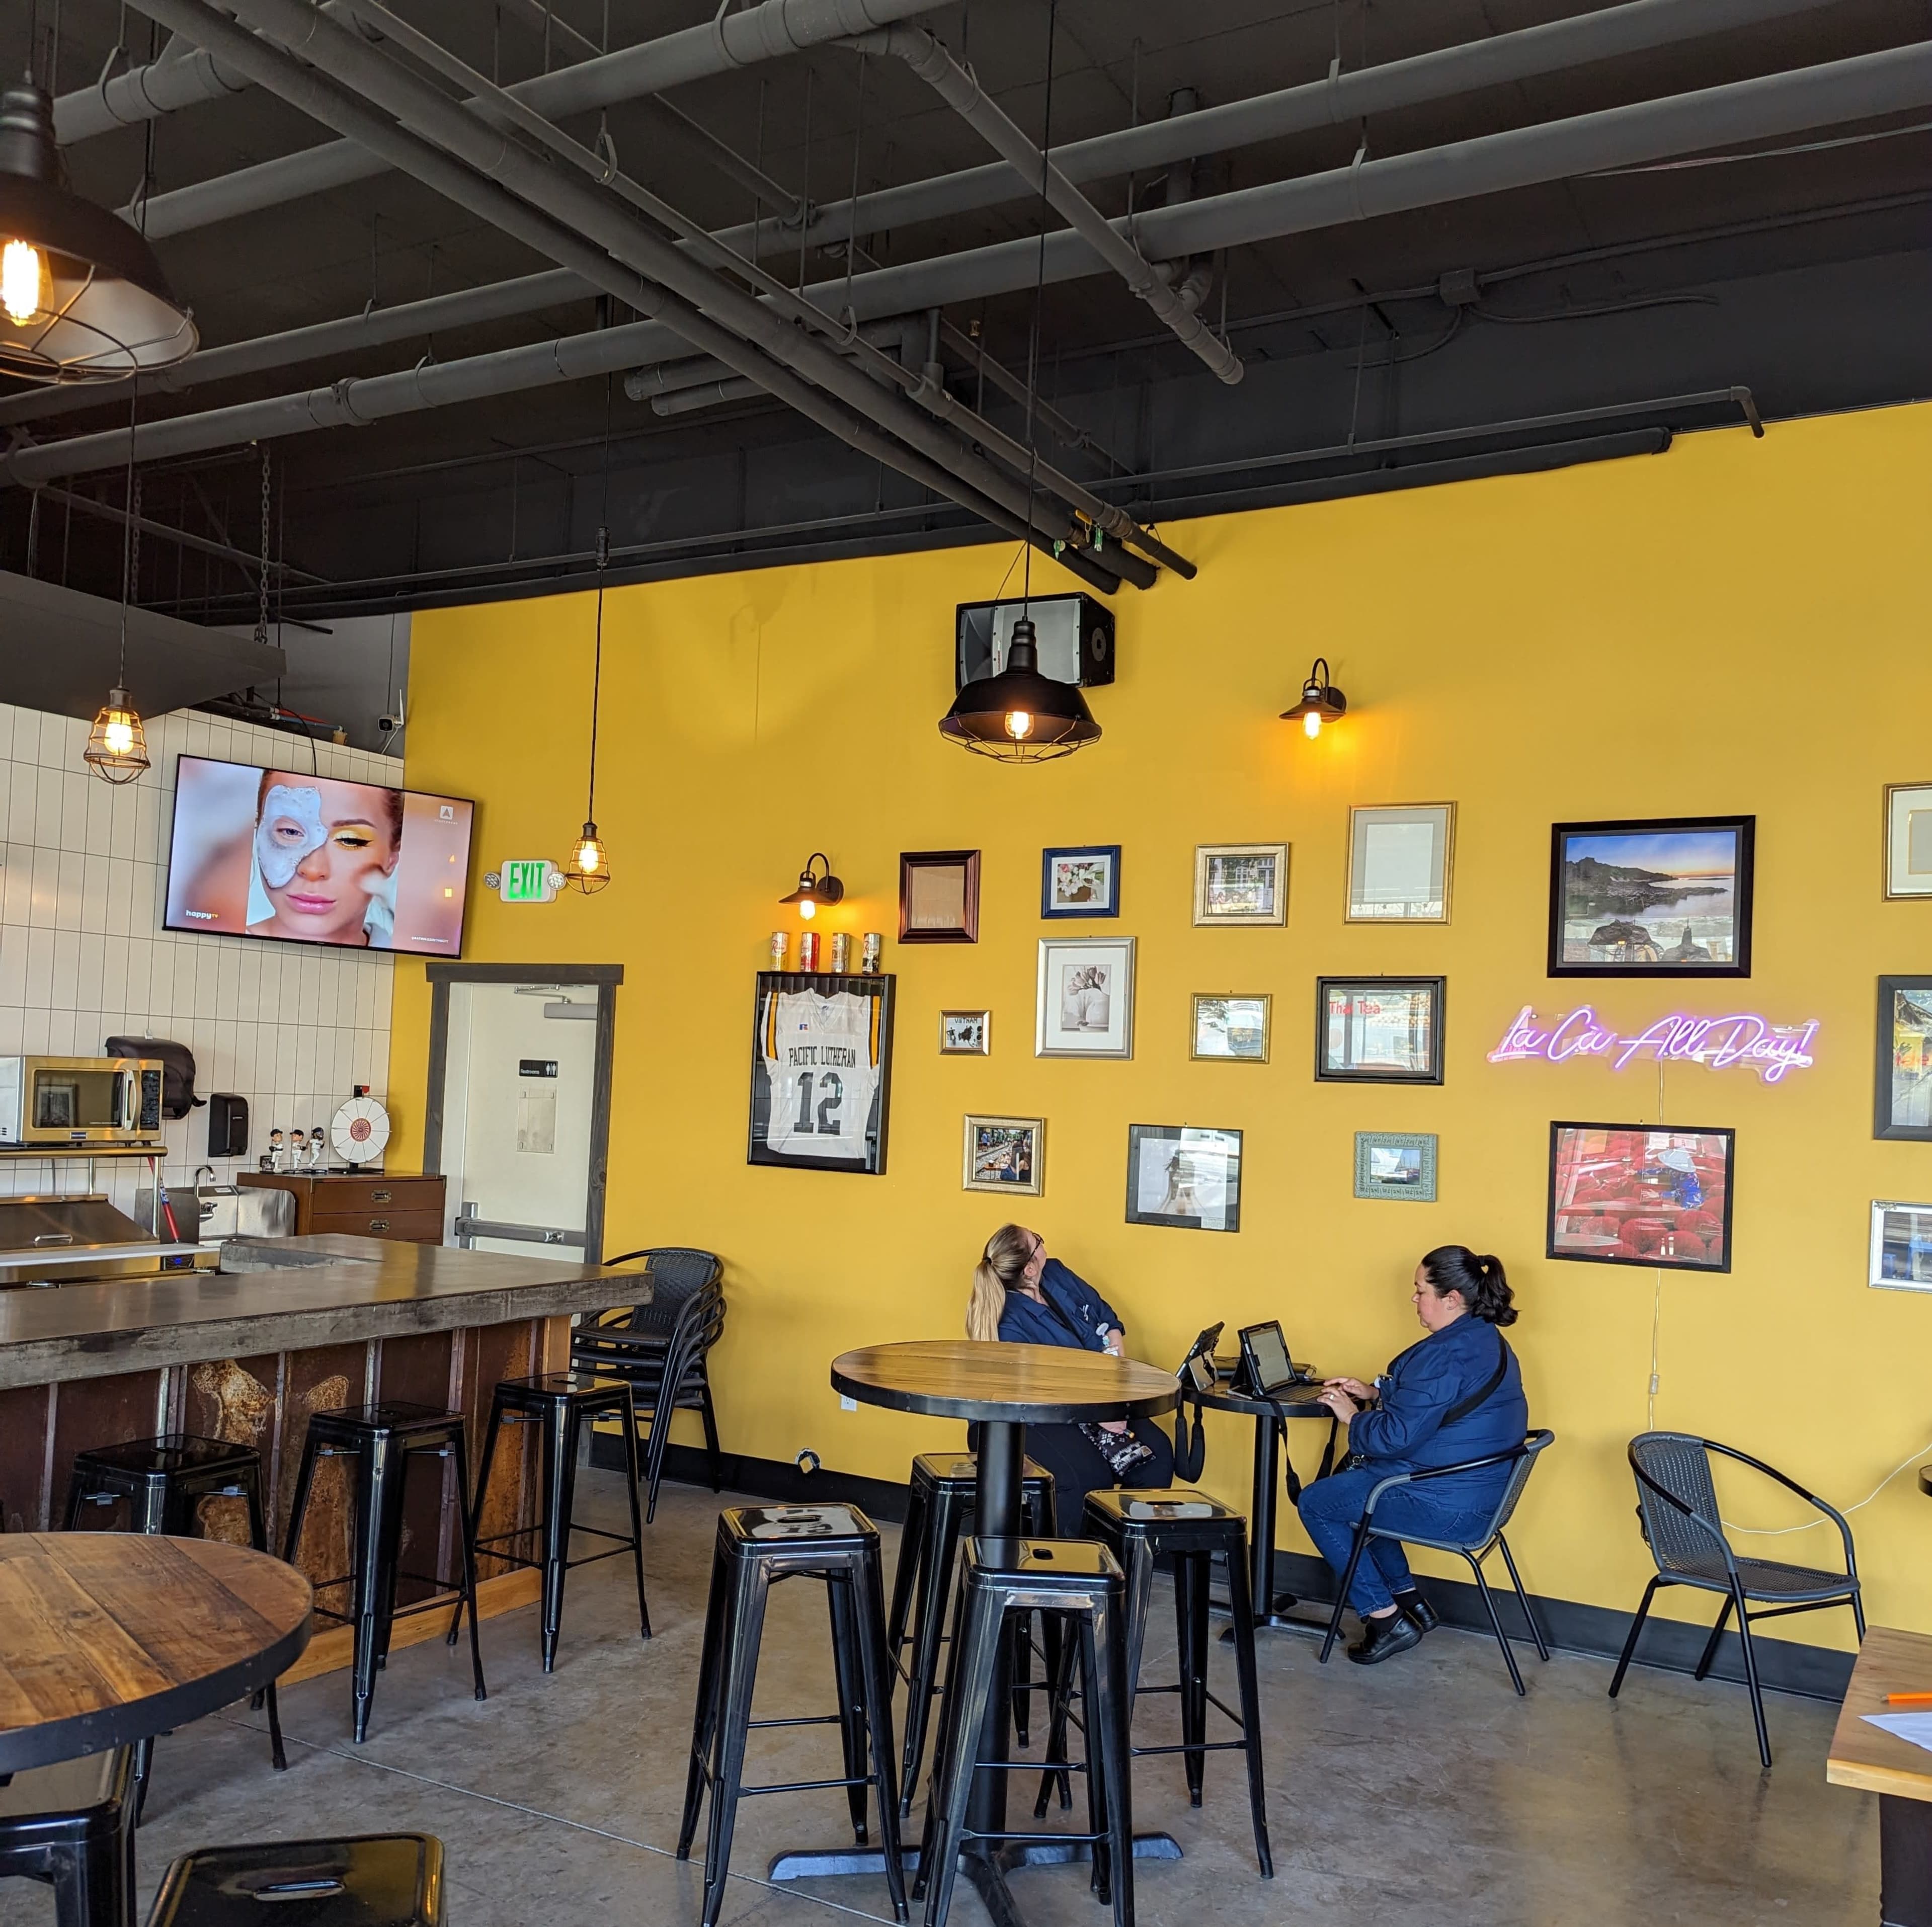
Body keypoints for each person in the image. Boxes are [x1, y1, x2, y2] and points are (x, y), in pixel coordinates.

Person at [1296, 1245, 1528, 1666]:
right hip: (1476, 1496)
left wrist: (1352, 1417)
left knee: (1317, 1502)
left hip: (1449, 1506)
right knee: (1361, 1497)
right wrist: (1375, 1393)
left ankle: (1387, 1621)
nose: (1414, 1300)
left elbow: (1394, 1438)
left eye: (1420, 1291)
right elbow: (1444, 1404)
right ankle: (1411, 1602)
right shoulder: (1482, 1338)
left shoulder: (1444, 1354)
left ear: (1451, 1299)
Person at [965, 1224, 1173, 1516]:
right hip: (1031, 1417)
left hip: (1097, 1400)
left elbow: (1108, 1320)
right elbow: (1045, 1387)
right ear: (1028, 1269)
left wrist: (1114, 1394)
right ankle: (1078, 1556)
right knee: (1086, 1478)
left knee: (1158, 1454)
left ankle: (1127, 1553)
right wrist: (1102, 1412)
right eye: (1037, 1241)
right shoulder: (1008, 1321)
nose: (1042, 1241)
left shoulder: (1056, 1272)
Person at [247, 773, 404, 947]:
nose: (314, 869)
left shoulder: (406, 968)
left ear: (392, 858)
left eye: (350, 841)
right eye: (290, 832)